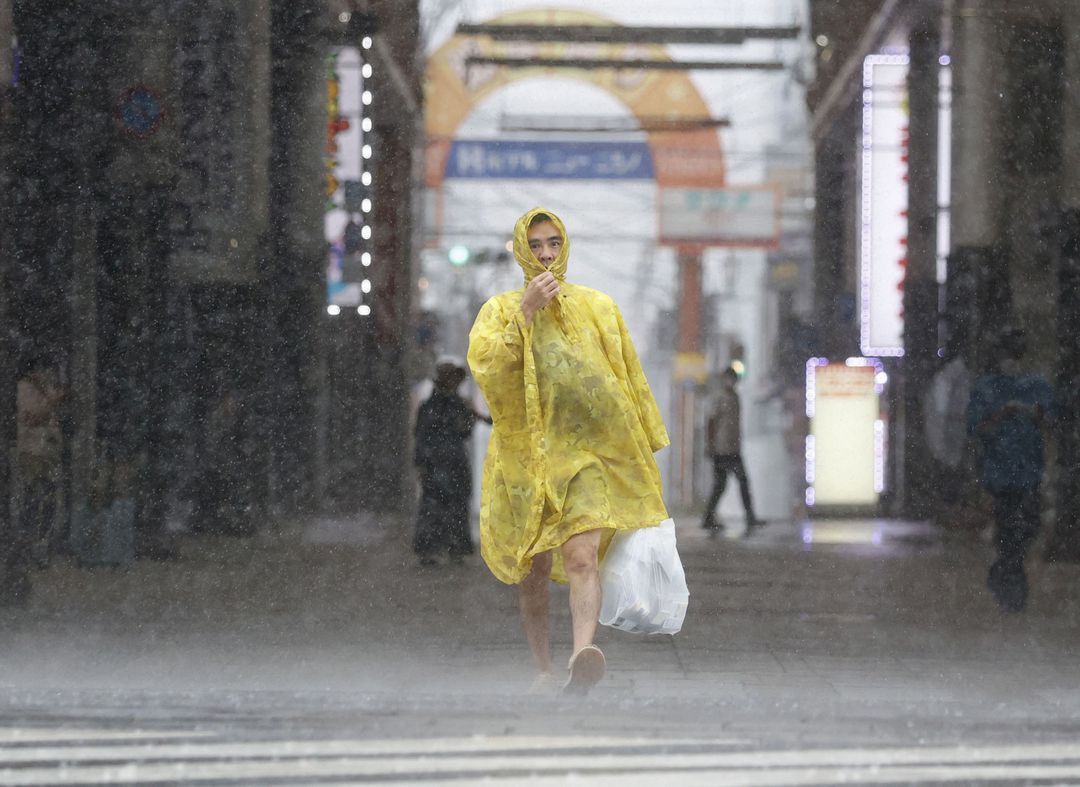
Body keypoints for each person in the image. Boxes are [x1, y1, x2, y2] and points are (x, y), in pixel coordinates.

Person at [468, 207, 670, 696]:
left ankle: (583, 652)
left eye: (554, 243)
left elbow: (626, 376)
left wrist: (641, 438)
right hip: (526, 460)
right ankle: (542, 665)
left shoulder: (599, 307)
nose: (545, 254)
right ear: (521, 250)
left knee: (582, 555)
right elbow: (488, 366)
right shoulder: (500, 311)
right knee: (533, 570)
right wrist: (527, 312)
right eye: (535, 245)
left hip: (586, 458)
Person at [966, 327, 1053, 613]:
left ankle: (1005, 572)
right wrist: (1002, 415)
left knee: (1026, 526)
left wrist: (1029, 413)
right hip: (1000, 472)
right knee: (1009, 528)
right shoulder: (987, 388)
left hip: (1027, 469)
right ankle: (1011, 585)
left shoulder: (1036, 386)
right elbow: (976, 427)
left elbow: (1049, 420)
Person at [413, 358, 490, 566]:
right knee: (436, 506)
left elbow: (464, 431)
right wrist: (421, 462)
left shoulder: (456, 404)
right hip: (438, 463)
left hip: (452, 462)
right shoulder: (434, 405)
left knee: (452, 505)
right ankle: (435, 548)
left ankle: (450, 547)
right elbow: (422, 435)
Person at [15, 356, 64, 572]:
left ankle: (40, 546)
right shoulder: (25, 388)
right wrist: (52, 402)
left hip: (48, 453)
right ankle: (29, 547)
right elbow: (30, 418)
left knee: (49, 499)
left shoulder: (46, 388)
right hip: (32, 451)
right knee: (34, 498)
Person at [701, 366, 759, 536]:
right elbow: (711, 421)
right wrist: (710, 445)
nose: (731, 382)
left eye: (733, 378)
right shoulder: (719, 397)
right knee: (727, 483)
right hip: (721, 449)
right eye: (728, 378)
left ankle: (710, 517)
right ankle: (709, 517)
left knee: (729, 484)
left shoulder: (735, 397)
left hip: (733, 448)